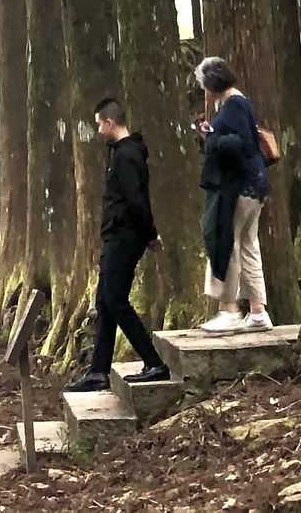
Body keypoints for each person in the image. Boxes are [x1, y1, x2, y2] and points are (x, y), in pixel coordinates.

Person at [73, 99, 174, 394]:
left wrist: (150, 234)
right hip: (115, 236)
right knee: (104, 301)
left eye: (99, 124)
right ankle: (99, 371)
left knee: (115, 300)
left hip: (125, 237)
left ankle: (154, 361)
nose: (98, 130)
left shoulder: (128, 155)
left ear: (110, 122)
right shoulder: (119, 153)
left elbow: (136, 200)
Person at [196, 56, 273, 333]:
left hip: (241, 187)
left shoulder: (234, 105)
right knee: (249, 245)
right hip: (255, 185)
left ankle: (229, 309)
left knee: (227, 243)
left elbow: (237, 144)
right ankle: (257, 311)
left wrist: (213, 138)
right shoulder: (240, 103)